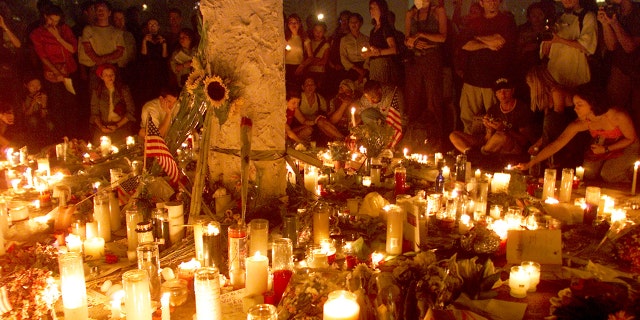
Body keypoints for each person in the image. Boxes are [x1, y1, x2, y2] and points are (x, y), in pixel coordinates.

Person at [517, 83, 640, 183]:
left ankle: (633, 174)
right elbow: (557, 144)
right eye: (575, 104)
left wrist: (607, 149)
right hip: (602, 143)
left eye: (579, 105)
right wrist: (531, 163)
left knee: (608, 175)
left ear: (592, 103)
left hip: (627, 144)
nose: (575, 109)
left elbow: (631, 138)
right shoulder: (582, 122)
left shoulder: (616, 116)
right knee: (588, 173)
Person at [457, 0, 517, 135]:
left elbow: (499, 41)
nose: (492, 3)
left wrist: (477, 38)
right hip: (472, 78)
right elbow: (465, 44)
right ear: (481, 3)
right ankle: (468, 149)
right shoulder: (474, 22)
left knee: (495, 119)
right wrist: (486, 43)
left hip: (495, 80)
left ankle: (492, 149)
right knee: (468, 119)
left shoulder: (506, 22)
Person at [450, 77, 536, 156]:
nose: (503, 94)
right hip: (491, 145)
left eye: (506, 91)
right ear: (496, 94)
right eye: (499, 92)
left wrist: (504, 129)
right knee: (454, 135)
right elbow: (487, 139)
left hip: (510, 145)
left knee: (501, 136)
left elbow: (524, 141)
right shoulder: (493, 109)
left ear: (512, 90)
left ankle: (479, 156)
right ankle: (469, 153)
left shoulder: (522, 109)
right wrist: (489, 130)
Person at [526, 65, 589, 168]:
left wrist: (541, 144)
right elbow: (548, 128)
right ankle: (547, 159)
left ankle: (553, 159)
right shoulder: (547, 97)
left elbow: (556, 121)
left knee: (551, 120)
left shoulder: (557, 91)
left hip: (573, 130)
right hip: (559, 129)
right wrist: (537, 144)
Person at [29, 4, 78, 138]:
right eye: (51, 20)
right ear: (45, 16)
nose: (53, 23)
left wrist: (58, 37)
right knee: (56, 106)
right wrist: (57, 72)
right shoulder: (37, 33)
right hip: (52, 73)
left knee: (71, 104)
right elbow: (42, 56)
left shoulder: (64, 29)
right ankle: (61, 138)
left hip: (68, 70)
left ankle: (73, 136)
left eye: (57, 21)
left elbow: (72, 49)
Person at [403, 0, 447, 147]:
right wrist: (413, 43)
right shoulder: (411, 13)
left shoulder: (438, 10)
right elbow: (406, 39)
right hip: (415, 59)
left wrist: (421, 34)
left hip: (432, 57)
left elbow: (442, 37)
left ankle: (437, 141)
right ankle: (413, 140)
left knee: (433, 99)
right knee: (413, 99)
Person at [598, 0, 640, 132]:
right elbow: (611, 46)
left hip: (637, 69)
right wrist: (605, 24)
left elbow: (630, 47)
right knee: (614, 108)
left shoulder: (637, 12)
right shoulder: (614, 11)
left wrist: (614, 23)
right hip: (620, 68)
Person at [541, 0, 598, 87]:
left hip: (575, 80)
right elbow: (545, 52)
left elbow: (586, 46)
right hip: (553, 78)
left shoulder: (588, 16)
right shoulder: (558, 18)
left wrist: (559, 40)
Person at [78, 0, 125, 91]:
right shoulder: (88, 30)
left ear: (109, 12)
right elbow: (87, 49)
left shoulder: (117, 32)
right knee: (96, 94)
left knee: (115, 93)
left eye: (103, 9)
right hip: (95, 68)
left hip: (113, 68)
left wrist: (102, 59)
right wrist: (97, 60)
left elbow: (120, 52)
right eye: (98, 10)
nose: (100, 12)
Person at [90, 64, 135, 144]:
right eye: (106, 75)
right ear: (101, 77)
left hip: (121, 126)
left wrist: (117, 125)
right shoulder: (97, 92)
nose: (109, 77)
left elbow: (131, 111)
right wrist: (101, 126)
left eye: (111, 74)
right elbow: (94, 113)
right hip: (103, 127)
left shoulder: (123, 90)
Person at [362, 0, 399, 85]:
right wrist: (369, 53)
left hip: (383, 65)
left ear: (381, 9)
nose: (371, 10)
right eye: (370, 8)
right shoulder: (373, 30)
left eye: (374, 7)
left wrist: (378, 52)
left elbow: (394, 49)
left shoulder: (385, 28)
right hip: (374, 66)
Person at [138, 18, 169, 104]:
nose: (152, 26)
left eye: (154, 24)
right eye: (150, 24)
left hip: (160, 71)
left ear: (158, 27)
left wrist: (164, 44)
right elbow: (143, 56)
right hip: (148, 71)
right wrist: (144, 41)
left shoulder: (163, 39)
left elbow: (164, 57)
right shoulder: (143, 39)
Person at [21, 75, 55, 148]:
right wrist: (32, 103)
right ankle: (34, 146)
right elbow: (26, 114)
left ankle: (49, 145)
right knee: (33, 121)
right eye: (32, 85)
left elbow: (44, 115)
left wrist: (44, 104)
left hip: (42, 118)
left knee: (50, 124)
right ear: (26, 85)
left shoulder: (44, 96)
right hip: (30, 119)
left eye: (38, 85)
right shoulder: (24, 97)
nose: (36, 88)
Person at [340, 13, 369, 85]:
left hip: (364, 67)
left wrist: (363, 72)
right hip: (351, 68)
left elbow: (369, 56)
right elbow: (343, 56)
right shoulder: (344, 39)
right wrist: (356, 68)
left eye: (356, 22)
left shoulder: (366, 39)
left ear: (361, 23)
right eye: (351, 22)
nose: (353, 24)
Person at [284, 14, 311, 89]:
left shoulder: (304, 38)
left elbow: (310, 57)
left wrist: (301, 66)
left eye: (296, 22)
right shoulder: (285, 38)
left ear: (299, 24)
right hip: (286, 67)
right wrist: (286, 50)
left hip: (298, 67)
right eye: (291, 22)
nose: (293, 24)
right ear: (288, 25)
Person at [305, 22, 330, 92]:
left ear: (324, 32)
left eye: (320, 31)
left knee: (319, 90)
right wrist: (317, 60)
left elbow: (324, 61)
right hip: (310, 72)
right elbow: (306, 57)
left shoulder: (326, 45)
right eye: (316, 31)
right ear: (313, 31)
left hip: (320, 73)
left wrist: (312, 60)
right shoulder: (309, 42)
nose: (318, 33)